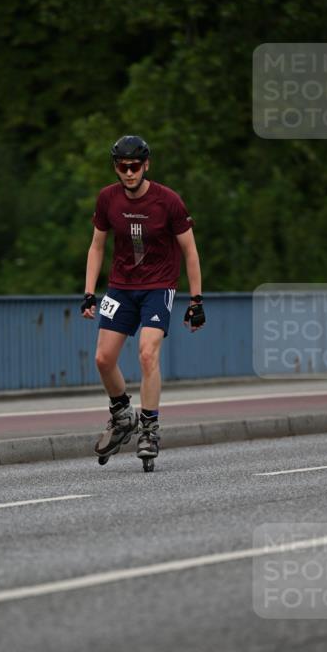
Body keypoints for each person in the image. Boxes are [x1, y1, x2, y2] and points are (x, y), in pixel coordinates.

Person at [80, 135, 205, 466]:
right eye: (123, 167)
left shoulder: (168, 201)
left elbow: (189, 251)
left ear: (146, 165)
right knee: (103, 359)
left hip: (158, 287)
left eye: (135, 167)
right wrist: (89, 292)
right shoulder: (108, 199)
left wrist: (196, 300)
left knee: (147, 354)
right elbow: (96, 246)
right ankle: (123, 415)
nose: (129, 173)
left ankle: (149, 428)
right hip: (121, 287)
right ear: (116, 168)